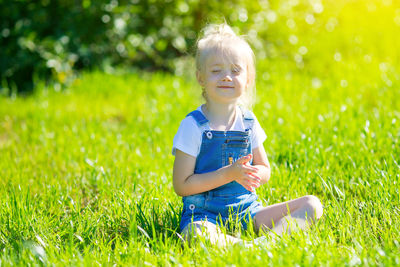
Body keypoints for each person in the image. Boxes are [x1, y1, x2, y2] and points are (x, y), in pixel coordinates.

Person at [172, 23, 323, 246]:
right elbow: (182, 185)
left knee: (312, 204)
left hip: (248, 212)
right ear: (201, 77)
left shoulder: (248, 122)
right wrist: (229, 174)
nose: (226, 77)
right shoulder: (193, 126)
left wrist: (251, 174)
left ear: (248, 79)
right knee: (195, 233)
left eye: (235, 71)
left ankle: (265, 243)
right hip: (205, 216)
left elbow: (265, 169)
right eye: (216, 71)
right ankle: (250, 247)